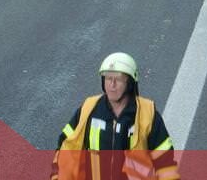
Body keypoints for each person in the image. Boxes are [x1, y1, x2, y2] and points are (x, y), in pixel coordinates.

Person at [51, 53, 180, 180]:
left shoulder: (147, 114)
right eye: (108, 78)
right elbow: (65, 147)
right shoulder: (88, 108)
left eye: (118, 79)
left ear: (130, 83)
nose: (112, 85)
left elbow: (165, 162)